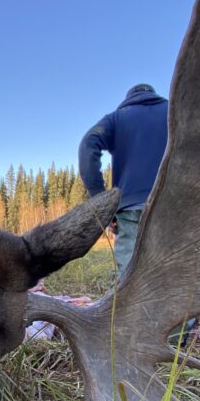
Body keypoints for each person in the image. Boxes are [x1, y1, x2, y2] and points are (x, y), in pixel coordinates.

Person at [78, 83, 168, 272]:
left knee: (129, 278)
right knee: (175, 272)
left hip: (130, 210)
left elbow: (88, 145)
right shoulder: (172, 112)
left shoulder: (116, 119)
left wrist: (102, 200)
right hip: (173, 204)